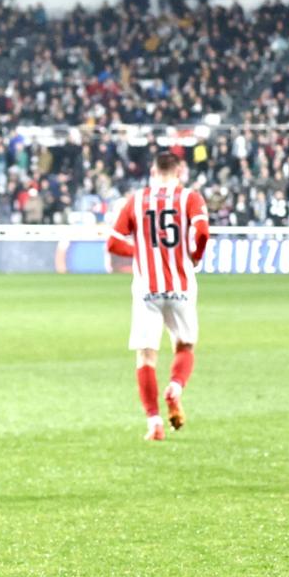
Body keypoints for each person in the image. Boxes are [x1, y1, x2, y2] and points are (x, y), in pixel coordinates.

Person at [107, 151, 209, 440]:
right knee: (185, 346)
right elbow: (202, 232)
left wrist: (140, 252)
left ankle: (154, 424)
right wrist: (195, 257)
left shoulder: (137, 200)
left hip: (147, 289)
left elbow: (113, 243)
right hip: (181, 285)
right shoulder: (190, 198)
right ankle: (175, 387)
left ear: (153, 172)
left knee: (146, 355)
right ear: (179, 172)